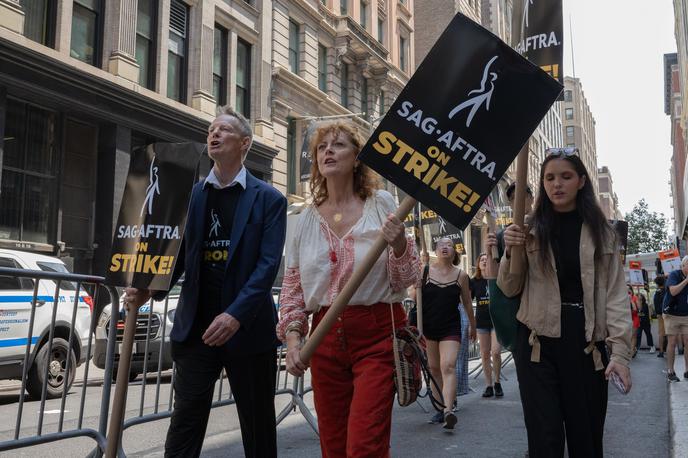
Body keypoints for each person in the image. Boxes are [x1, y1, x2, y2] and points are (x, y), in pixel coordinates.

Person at [123, 106, 287, 458]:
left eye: (223, 129)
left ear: (244, 143)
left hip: (248, 331)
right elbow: (177, 256)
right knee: (185, 421)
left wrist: (235, 315)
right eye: (211, 129)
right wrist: (149, 288)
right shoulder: (191, 195)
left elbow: (267, 266)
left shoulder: (269, 199)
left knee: (257, 426)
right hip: (196, 329)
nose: (213, 134)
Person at [276, 121, 420, 457]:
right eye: (322, 147)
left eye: (338, 145)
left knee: (364, 445)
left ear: (357, 158)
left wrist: (399, 244)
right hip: (324, 339)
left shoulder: (382, 204)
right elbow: (293, 291)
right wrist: (295, 341)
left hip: (378, 335)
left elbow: (406, 277)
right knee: (334, 446)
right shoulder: (305, 220)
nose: (328, 150)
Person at [497, 150, 632, 457]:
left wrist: (621, 353)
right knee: (545, 441)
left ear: (582, 181)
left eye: (566, 177)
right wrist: (509, 252)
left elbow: (616, 296)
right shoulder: (527, 229)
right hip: (536, 346)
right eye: (549, 178)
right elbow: (509, 286)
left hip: (586, 345)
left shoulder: (604, 233)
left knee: (586, 440)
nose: (557, 184)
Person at [419, 237, 476, 428]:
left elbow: (467, 303)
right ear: (436, 249)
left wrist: (473, 326)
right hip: (429, 327)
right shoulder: (425, 270)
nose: (445, 247)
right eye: (442, 244)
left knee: (448, 366)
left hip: (451, 327)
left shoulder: (461, 275)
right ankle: (439, 408)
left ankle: (448, 411)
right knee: (434, 368)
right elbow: (413, 296)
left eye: (449, 245)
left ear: (455, 252)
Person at [471, 253, 503, 398]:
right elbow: (466, 301)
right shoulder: (474, 281)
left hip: (496, 321)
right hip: (482, 322)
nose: (484, 261)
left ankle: (497, 382)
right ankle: (489, 385)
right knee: (484, 354)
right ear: (478, 264)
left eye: (486, 259)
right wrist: (469, 324)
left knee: (495, 352)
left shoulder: (496, 279)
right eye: (481, 260)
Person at [662, 256, 688, 381]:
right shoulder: (674, 275)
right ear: (682, 266)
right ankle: (670, 372)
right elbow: (673, 291)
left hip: (686, 315)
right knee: (672, 342)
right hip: (671, 314)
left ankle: (687, 371)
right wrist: (687, 281)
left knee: (687, 342)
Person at [654, 275, 668, 357]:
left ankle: (661, 351)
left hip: (659, 314)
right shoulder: (666, 291)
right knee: (669, 333)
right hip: (667, 314)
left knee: (661, 333)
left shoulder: (657, 292)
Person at [629, 286, 640, 358]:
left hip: (634, 318)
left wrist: (631, 300)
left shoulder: (635, 297)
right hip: (626, 319)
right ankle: (633, 349)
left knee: (633, 335)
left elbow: (638, 309)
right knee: (628, 336)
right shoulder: (623, 298)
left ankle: (632, 351)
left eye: (629, 290)